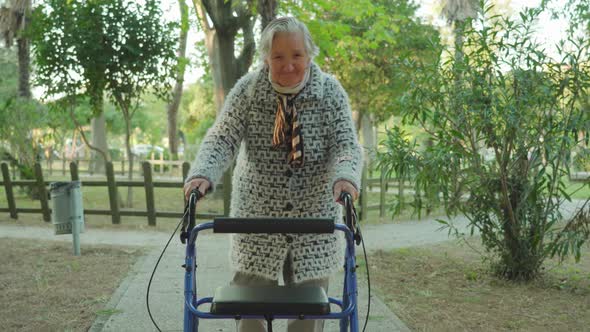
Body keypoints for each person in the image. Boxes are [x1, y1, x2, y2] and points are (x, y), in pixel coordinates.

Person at [183, 16, 362, 332]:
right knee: (249, 313)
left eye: (296, 55)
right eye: (278, 56)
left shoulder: (330, 92)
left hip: (314, 221)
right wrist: (203, 173)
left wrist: (345, 176)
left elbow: (345, 144)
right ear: (266, 58)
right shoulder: (249, 91)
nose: (288, 65)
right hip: (256, 220)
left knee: (309, 318)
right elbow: (222, 137)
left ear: (309, 55)